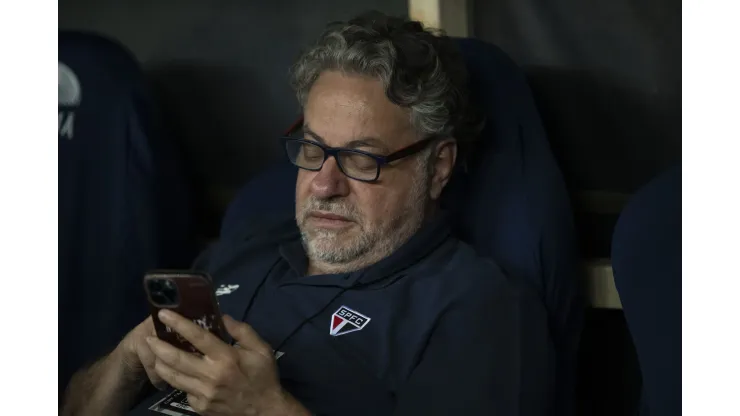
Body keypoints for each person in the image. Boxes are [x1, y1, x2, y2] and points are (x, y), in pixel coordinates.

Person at [61, 12, 554, 416]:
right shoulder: (243, 248)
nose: (324, 184)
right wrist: (127, 361)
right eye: (313, 150)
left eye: (362, 159)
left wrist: (265, 410)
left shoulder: (474, 306)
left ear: (438, 165)